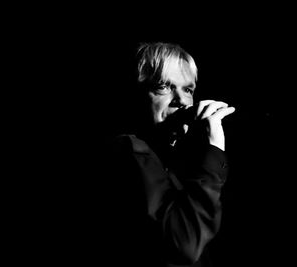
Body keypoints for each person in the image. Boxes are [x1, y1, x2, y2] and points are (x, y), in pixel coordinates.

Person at [100, 42, 236, 267]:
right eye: (163, 87)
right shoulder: (129, 150)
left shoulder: (170, 158)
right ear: (136, 95)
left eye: (188, 89)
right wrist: (215, 149)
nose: (181, 101)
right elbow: (185, 245)